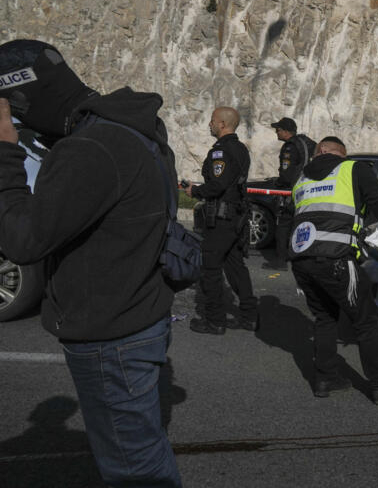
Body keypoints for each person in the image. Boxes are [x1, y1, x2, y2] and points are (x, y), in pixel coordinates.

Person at [0, 40, 182, 486]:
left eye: (15, 112)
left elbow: (22, 240)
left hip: (110, 335)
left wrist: (5, 151)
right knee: (143, 445)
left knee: (134, 468)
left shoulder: (89, 149)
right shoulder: (133, 128)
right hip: (142, 315)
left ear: (23, 97)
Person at [288, 136, 378, 403]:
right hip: (336, 257)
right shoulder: (353, 168)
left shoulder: (301, 179)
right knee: (367, 319)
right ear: (328, 151)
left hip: (301, 259)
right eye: (342, 156)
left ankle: (326, 378)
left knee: (325, 318)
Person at [185, 107, 259, 334]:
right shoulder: (240, 149)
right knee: (236, 267)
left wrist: (195, 191)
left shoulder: (221, 151)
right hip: (234, 218)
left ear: (223, 125)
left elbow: (218, 184)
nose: (209, 124)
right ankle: (250, 316)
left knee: (211, 269)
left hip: (221, 218)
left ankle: (215, 320)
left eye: (212, 121)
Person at [265, 116, 316, 270]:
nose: (276, 132)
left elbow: (287, 174)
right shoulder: (308, 143)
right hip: (307, 191)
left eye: (278, 130)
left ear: (287, 132)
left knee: (283, 225)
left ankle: (281, 261)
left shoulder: (289, 147)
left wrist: (279, 183)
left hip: (291, 191)